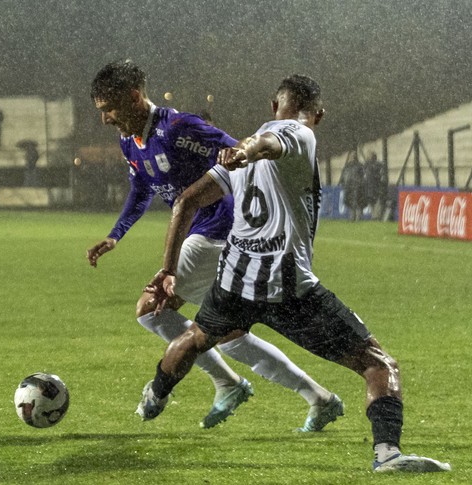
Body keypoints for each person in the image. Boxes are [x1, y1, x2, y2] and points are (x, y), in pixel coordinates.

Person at [137, 74, 451, 473]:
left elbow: (185, 202)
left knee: (196, 337)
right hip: (287, 286)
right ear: (318, 114)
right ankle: (388, 454)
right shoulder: (298, 134)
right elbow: (270, 143)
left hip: (234, 280)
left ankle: (155, 395)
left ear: (273, 105)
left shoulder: (238, 149)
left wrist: (167, 270)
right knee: (377, 364)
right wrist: (249, 152)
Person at [87, 61, 342, 431]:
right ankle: (317, 397)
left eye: (109, 108)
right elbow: (142, 189)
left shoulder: (178, 128)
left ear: (133, 97)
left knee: (151, 307)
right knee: (229, 333)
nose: (106, 118)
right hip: (207, 233)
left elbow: (236, 150)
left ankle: (228, 384)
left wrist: (249, 166)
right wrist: (115, 234)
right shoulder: (131, 141)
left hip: (217, 229)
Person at [339, 152, 365, 221]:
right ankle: (352, 217)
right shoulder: (347, 166)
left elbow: (362, 176)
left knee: (357, 202)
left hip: (356, 186)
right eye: (351, 156)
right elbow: (343, 175)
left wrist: (360, 184)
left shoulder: (359, 166)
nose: (352, 158)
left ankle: (357, 217)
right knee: (350, 202)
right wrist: (342, 182)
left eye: (353, 156)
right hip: (348, 186)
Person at [363, 151, 388, 220]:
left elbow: (365, 176)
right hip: (374, 186)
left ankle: (375, 216)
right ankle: (375, 216)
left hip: (372, 187)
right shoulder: (377, 165)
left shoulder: (367, 165)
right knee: (375, 202)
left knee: (374, 202)